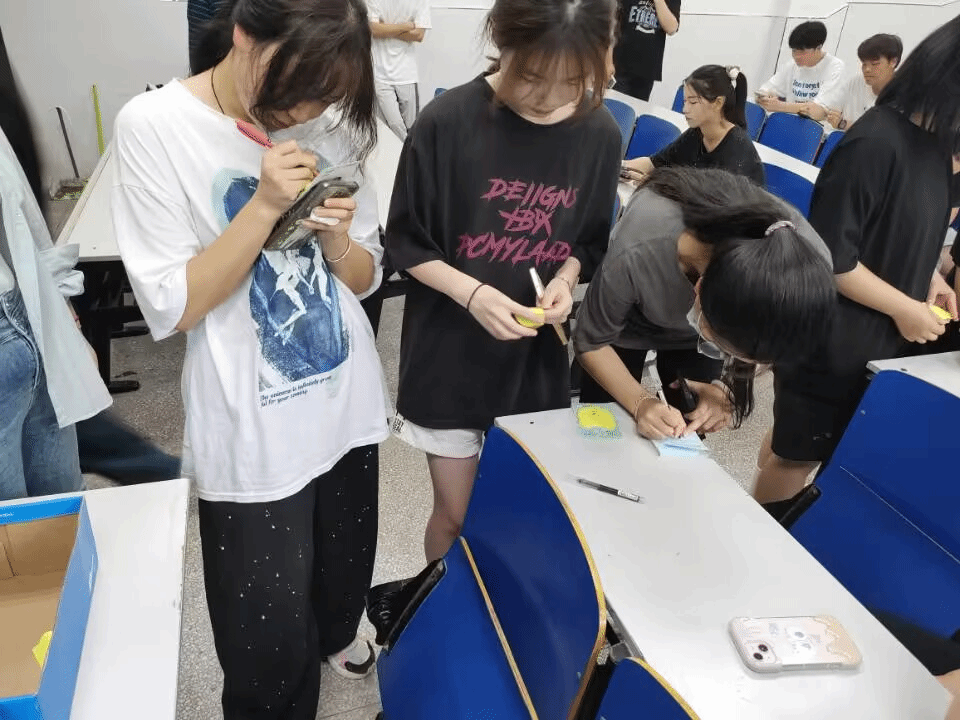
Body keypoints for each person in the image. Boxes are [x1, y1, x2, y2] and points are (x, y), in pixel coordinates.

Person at [112, 0, 390, 717]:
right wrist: (264, 207)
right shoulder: (155, 125)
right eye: (297, 90)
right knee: (265, 641)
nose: (305, 112)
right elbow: (173, 307)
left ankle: (336, 638)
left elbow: (365, 280)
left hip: (347, 400)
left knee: (341, 576)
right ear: (243, 31)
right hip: (254, 426)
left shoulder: (329, 117)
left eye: (325, 96)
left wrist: (337, 239)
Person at [385, 0, 622, 562]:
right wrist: (471, 294)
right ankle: (443, 605)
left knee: (514, 518)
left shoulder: (600, 134)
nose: (549, 97)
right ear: (502, 41)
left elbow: (589, 241)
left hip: (532, 366)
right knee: (458, 516)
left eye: (573, 81)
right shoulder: (446, 122)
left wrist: (565, 278)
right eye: (532, 75)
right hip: (448, 356)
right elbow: (406, 243)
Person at [754, 15, 960, 511]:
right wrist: (905, 309)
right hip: (833, 338)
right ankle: (761, 527)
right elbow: (832, 259)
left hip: (878, 340)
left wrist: (929, 280)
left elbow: (905, 235)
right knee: (794, 457)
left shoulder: (936, 153)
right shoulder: (876, 141)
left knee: (811, 448)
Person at [573, 167, 835, 440]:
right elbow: (591, 340)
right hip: (628, 320)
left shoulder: (807, 270)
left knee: (686, 425)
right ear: (698, 289)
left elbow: (764, 341)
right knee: (602, 426)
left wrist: (726, 387)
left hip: (709, 323)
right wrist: (640, 403)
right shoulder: (640, 243)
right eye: (719, 345)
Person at [0, 118, 112, 501]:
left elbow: (21, 213)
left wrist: (67, 318)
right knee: (18, 526)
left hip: (25, 317)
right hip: (19, 325)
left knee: (63, 509)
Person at [621, 65, 765, 187]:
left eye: (693, 102)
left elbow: (711, 201)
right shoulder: (696, 133)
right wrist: (619, 167)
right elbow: (655, 163)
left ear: (718, 103)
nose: (685, 109)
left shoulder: (737, 147)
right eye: (685, 102)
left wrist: (655, 183)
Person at [366, 0, 431, 141]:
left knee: (411, 128)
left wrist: (386, 28)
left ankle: (408, 152)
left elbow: (419, 35)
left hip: (407, 75)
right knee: (391, 127)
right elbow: (374, 30)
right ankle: (407, 151)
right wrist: (405, 26)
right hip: (380, 75)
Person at [756, 20, 845, 121]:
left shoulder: (835, 67)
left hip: (816, 127)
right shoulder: (791, 65)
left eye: (802, 51)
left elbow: (818, 111)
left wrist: (779, 106)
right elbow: (765, 89)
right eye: (794, 51)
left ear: (818, 48)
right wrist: (763, 97)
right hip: (789, 123)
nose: (797, 56)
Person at [826, 33, 902, 131]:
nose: (867, 69)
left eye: (874, 64)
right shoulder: (855, 82)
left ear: (893, 62)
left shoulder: (902, 97)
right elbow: (831, 112)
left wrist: (844, 124)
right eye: (864, 64)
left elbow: (883, 135)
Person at [613, 0, 680, 101]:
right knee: (615, 106)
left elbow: (671, 28)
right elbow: (611, 24)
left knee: (637, 108)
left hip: (647, 69)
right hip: (619, 65)